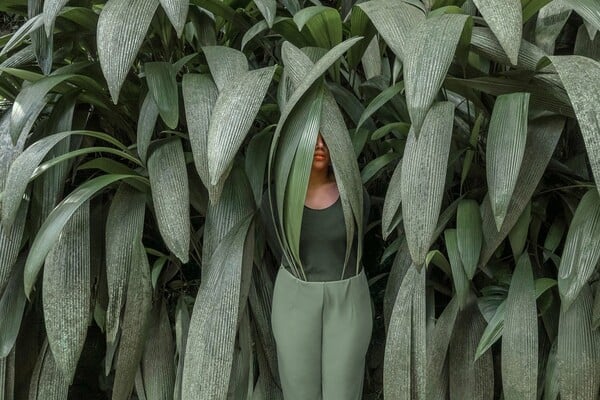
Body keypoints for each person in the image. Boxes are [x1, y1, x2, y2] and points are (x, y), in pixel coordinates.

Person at [260, 132, 372, 400]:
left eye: (327, 139)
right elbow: (279, 248)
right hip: (294, 299)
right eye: (312, 137)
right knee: (298, 389)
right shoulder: (276, 199)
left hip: (348, 298)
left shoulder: (354, 195)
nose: (320, 145)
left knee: (343, 390)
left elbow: (358, 243)